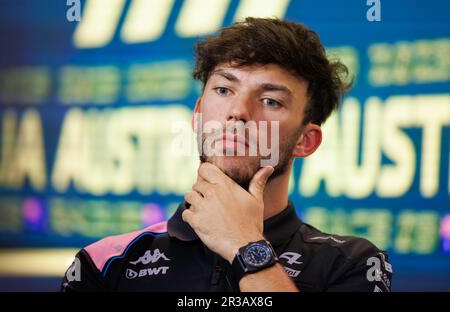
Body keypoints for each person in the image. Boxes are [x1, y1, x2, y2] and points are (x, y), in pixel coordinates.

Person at [61, 17, 392, 292]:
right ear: (198, 114)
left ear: (306, 140)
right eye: (223, 90)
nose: (238, 112)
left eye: (270, 101)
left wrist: (246, 245)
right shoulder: (106, 263)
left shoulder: (352, 263)